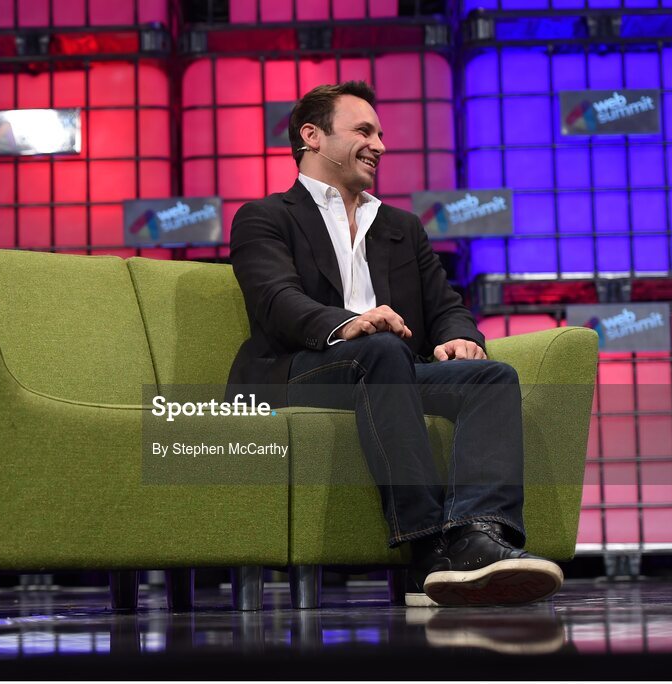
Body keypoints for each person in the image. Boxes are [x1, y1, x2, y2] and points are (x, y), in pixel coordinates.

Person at [225, 81, 563, 607]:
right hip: (299, 371)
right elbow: (277, 302)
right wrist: (350, 324)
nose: (379, 145)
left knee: (491, 377)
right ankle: (426, 552)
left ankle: (480, 537)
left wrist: (458, 338)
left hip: (387, 371)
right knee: (381, 348)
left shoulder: (401, 226)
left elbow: (446, 304)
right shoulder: (266, 217)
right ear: (312, 137)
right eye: (364, 131)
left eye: (381, 134)